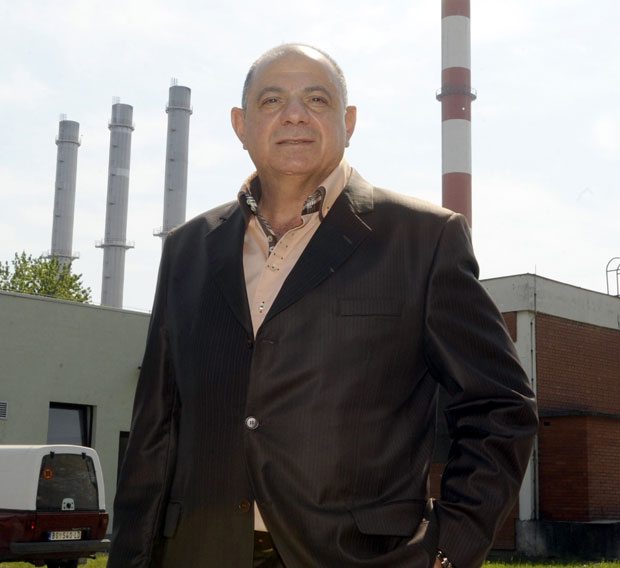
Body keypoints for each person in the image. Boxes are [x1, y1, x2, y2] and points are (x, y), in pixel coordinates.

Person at [108, 44, 538, 568]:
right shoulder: (187, 249)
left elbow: (501, 407)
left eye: (316, 99)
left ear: (348, 122)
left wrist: (449, 549)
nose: (295, 114)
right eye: (272, 101)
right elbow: (155, 428)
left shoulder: (423, 240)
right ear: (241, 125)